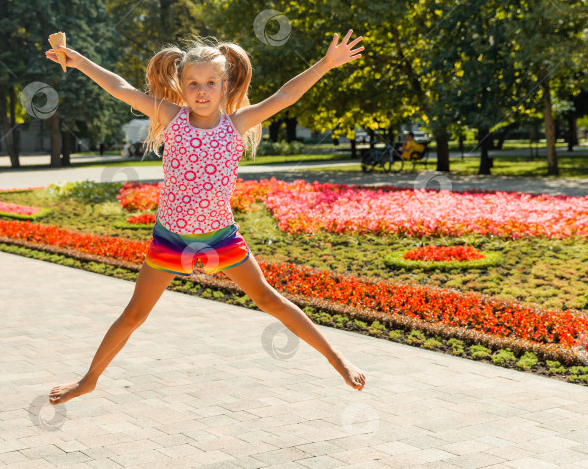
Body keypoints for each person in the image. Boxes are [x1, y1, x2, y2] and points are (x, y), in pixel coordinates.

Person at [44, 30, 367, 405]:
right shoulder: (171, 117)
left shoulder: (237, 124)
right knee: (134, 314)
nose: (202, 90)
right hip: (171, 239)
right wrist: (79, 60)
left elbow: (285, 95)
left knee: (269, 299)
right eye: (193, 83)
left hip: (221, 239)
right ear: (180, 86)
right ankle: (89, 379)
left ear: (225, 85)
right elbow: (120, 88)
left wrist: (326, 63)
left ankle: (337, 359)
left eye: (211, 82)